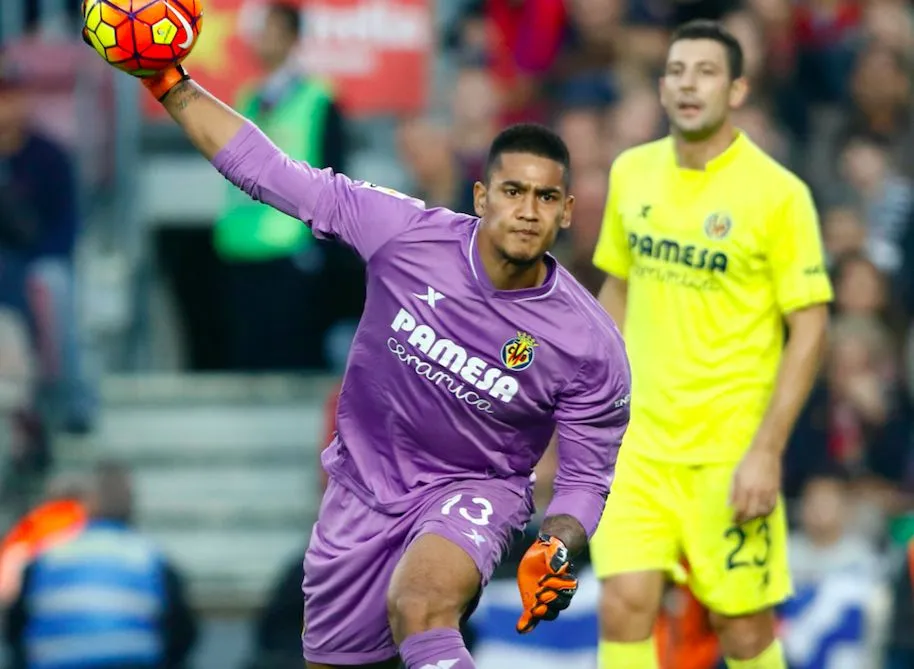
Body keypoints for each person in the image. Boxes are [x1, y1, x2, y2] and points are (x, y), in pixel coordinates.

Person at [81, 24, 633, 669]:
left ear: (566, 211)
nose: (528, 211)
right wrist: (169, 83)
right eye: (513, 192)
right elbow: (271, 173)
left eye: (546, 197)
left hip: (475, 490)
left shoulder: (590, 343)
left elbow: (587, 477)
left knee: (421, 603)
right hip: (362, 490)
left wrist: (557, 545)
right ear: (482, 197)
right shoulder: (405, 233)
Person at [590, 20, 833, 669]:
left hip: (728, 449)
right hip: (638, 443)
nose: (688, 85)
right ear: (661, 88)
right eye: (676, 71)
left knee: (742, 625)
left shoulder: (779, 195)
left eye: (705, 72)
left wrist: (767, 450)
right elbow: (617, 287)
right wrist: (591, 401)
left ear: (737, 90)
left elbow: (810, 326)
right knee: (623, 602)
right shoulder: (631, 172)